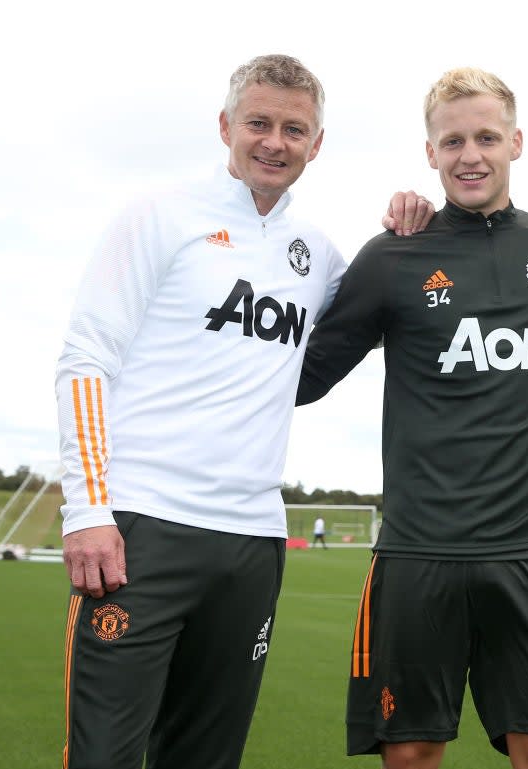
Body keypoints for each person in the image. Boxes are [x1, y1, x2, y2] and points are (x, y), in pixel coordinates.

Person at [54, 54, 431, 769]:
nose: (274, 142)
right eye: (259, 123)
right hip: (140, 527)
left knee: (206, 758)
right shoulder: (157, 217)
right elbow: (84, 361)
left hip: (252, 541)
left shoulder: (316, 255)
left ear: (316, 145)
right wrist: (88, 509)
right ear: (226, 125)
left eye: (295, 129)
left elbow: (380, 309)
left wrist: (410, 225)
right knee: (103, 757)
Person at [297, 67, 528, 769]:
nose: (471, 154)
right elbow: (305, 376)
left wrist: (519, 392)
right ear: (430, 152)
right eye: (453, 140)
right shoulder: (393, 255)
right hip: (419, 549)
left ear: (516, 143)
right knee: (409, 755)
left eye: (487, 137)